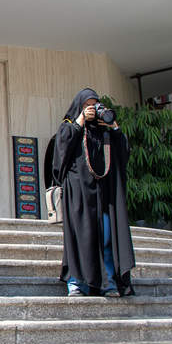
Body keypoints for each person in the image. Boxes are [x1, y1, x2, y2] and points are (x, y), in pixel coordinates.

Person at [52, 88, 135, 297]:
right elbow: (60, 155)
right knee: (81, 238)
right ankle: (77, 283)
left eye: (95, 105)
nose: (92, 109)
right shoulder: (70, 126)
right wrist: (80, 120)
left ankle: (108, 282)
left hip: (104, 194)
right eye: (87, 105)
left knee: (107, 237)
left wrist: (114, 127)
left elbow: (123, 154)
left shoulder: (103, 131)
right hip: (79, 194)